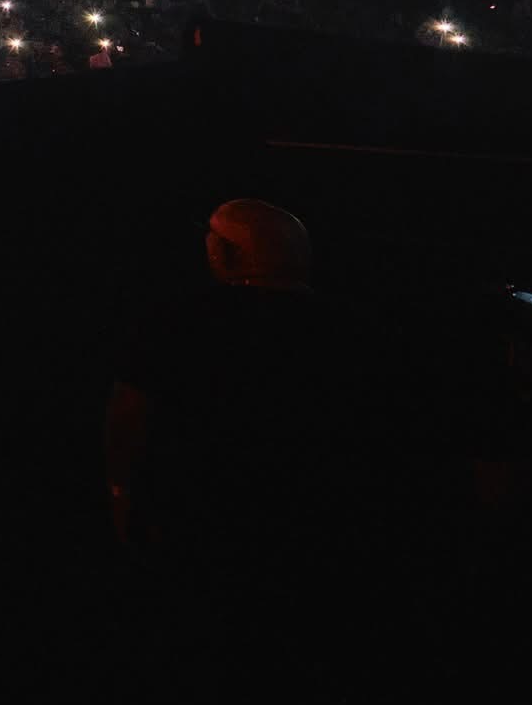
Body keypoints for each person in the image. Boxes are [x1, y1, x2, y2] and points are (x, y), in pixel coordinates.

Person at [104, 198, 386, 696]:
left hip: (195, 522)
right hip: (320, 531)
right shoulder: (358, 327)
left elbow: (129, 415)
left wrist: (122, 491)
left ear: (227, 255)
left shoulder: (178, 319)